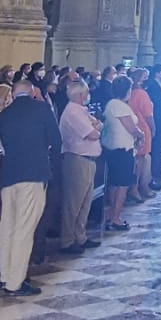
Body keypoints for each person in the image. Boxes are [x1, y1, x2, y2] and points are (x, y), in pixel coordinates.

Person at [0, 79, 58, 296]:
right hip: (33, 174)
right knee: (24, 229)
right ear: (32, 92)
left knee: (8, 228)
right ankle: (16, 282)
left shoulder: (3, 115)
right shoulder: (41, 108)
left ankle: (5, 277)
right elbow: (56, 139)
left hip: (9, 175)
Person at [57, 82, 103, 254]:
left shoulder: (81, 110)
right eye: (86, 93)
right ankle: (67, 240)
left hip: (89, 159)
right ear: (80, 95)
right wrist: (96, 127)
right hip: (77, 159)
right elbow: (92, 133)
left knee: (85, 201)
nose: (88, 95)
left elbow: (98, 125)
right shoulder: (72, 112)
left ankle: (80, 236)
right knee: (73, 203)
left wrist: (97, 126)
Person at [102, 76, 144, 232]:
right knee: (122, 185)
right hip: (121, 150)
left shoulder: (113, 104)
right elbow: (131, 128)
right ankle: (115, 218)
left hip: (116, 149)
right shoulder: (118, 105)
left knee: (115, 184)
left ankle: (112, 215)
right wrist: (141, 135)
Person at [126, 67, 156, 200]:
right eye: (145, 77)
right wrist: (153, 127)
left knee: (137, 160)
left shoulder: (129, 93)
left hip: (130, 127)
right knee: (141, 160)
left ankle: (136, 187)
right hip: (142, 128)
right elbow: (148, 114)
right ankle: (138, 187)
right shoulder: (141, 94)